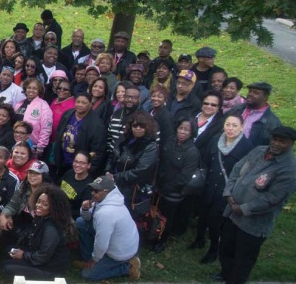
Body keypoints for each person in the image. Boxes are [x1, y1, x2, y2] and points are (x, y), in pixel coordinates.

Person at [215, 126, 296, 284]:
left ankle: (235, 281)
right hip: (232, 212)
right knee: (226, 247)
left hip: (253, 223)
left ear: (291, 143)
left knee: (243, 257)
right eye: (275, 139)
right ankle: (225, 273)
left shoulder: (290, 170)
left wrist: (243, 209)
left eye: (282, 141)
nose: (277, 144)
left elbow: (272, 199)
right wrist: (228, 193)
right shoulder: (259, 151)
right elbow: (237, 169)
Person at [193, 114, 253, 264]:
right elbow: (206, 161)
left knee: (215, 221)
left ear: (242, 127)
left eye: (234, 125)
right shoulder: (215, 140)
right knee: (203, 215)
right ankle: (199, 240)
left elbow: (244, 174)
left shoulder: (247, 147)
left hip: (225, 190)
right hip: (209, 185)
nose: (230, 128)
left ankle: (213, 249)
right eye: (228, 124)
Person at [76, 175, 141, 281]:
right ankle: (88, 260)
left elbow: (101, 244)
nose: (92, 193)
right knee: (81, 222)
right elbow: (86, 219)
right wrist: (84, 209)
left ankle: (128, 267)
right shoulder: (106, 199)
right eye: (92, 190)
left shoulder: (106, 214)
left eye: (96, 191)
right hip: (119, 241)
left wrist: (94, 259)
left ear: (106, 191)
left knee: (86, 274)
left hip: (119, 253)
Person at [2, 184, 73, 280]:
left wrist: (23, 255)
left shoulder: (51, 229)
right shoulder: (42, 218)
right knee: (9, 250)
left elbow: (42, 257)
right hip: (36, 253)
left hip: (49, 267)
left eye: (45, 204)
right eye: (38, 202)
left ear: (54, 207)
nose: (39, 205)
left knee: (7, 266)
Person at [153, 119, 199, 253]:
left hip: (173, 192)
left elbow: (184, 177)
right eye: (180, 128)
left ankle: (161, 241)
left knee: (167, 218)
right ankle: (152, 234)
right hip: (160, 186)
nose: (182, 132)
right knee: (156, 213)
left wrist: (167, 188)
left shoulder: (192, 152)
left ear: (192, 133)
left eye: (186, 130)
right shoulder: (170, 141)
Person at [106, 111, 159, 212]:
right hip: (114, 185)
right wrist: (107, 170)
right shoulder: (123, 138)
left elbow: (140, 172)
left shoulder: (150, 147)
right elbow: (112, 156)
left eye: (141, 126)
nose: (138, 128)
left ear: (147, 128)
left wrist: (115, 177)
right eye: (135, 125)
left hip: (132, 191)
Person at [52, 93, 107, 178]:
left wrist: (89, 171)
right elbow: (59, 133)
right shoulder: (67, 114)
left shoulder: (97, 125)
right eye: (78, 102)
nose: (80, 105)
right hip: (62, 161)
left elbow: (98, 152)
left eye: (84, 103)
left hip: (80, 167)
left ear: (90, 104)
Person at [226, 81, 282, 146]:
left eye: (255, 93)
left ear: (265, 97)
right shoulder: (238, 108)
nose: (250, 94)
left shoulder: (271, 122)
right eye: (250, 91)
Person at [17, 78, 53, 158]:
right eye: (29, 87)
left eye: (34, 88)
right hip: (16, 143)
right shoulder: (20, 103)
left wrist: (41, 146)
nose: (31, 90)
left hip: (33, 146)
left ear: (39, 91)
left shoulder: (43, 105)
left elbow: (46, 127)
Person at [106, 84, 142, 155]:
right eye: (128, 97)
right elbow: (110, 137)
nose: (130, 100)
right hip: (112, 156)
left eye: (134, 97)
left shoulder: (143, 117)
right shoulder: (116, 113)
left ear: (139, 99)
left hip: (131, 157)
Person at [59, 152, 94, 219]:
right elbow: (57, 187)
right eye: (76, 161)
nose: (77, 165)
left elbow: (81, 211)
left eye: (82, 163)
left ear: (88, 165)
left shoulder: (89, 186)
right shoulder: (70, 173)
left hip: (69, 217)